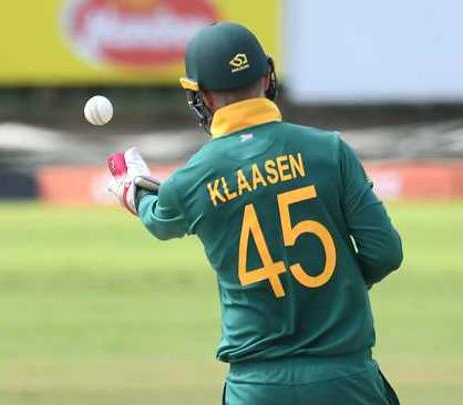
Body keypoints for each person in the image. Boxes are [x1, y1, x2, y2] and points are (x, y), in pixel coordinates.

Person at [107, 22, 402, 404]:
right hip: (346, 379)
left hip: (257, 386)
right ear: (266, 78)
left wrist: (132, 189)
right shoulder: (329, 151)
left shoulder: (193, 179)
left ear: (203, 96)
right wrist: (338, 290)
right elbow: (385, 253)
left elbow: (157, 219)